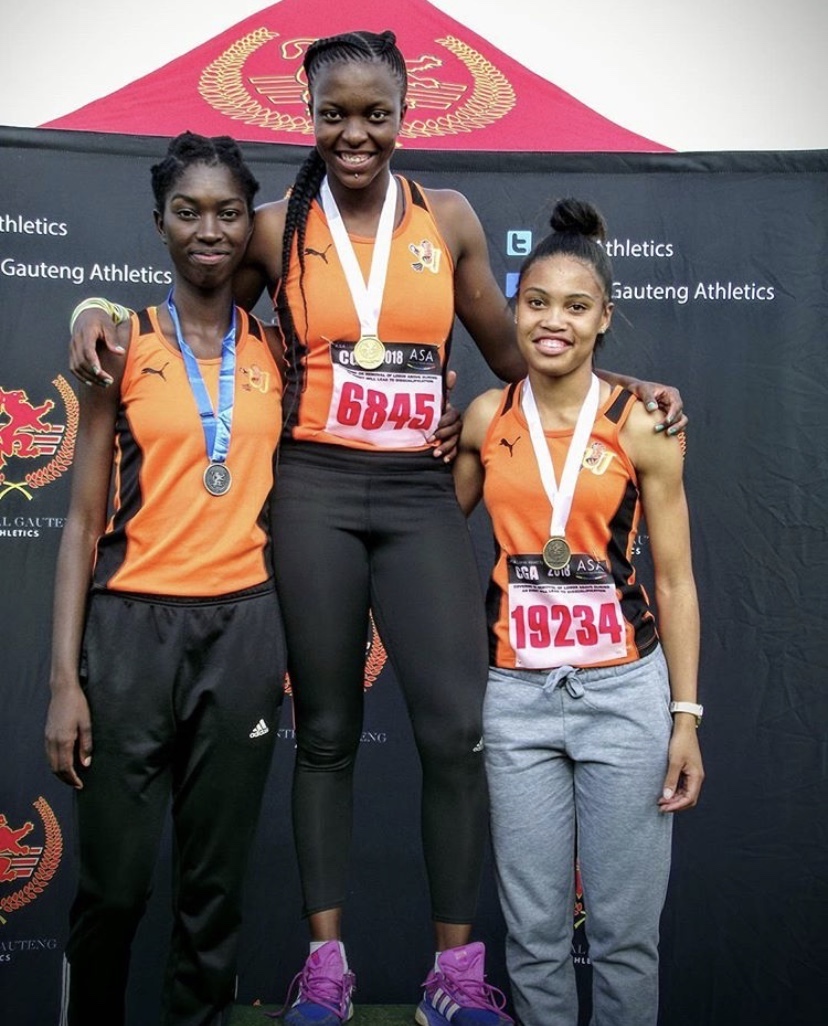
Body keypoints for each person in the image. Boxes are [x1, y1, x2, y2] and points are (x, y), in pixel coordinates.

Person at [67, 31, 688, 1026]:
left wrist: (621, 389)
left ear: (407, 114)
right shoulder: (272, 228)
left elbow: (519, 352)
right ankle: (325, 969)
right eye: (334, 114)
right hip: (312, 491)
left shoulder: (448, 218)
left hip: (418, 495)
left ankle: (453, 975)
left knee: (453, 728)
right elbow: (196, 312)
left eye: (375, 114)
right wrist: (89, 307)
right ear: (305, 114)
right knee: (324, 731)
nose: (355, 134)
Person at [45, 132, 287, 1026]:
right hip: (131, 637)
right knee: (111, 890)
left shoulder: (281, 353)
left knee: (213, 895)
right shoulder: (117, 345)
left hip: (247, 640)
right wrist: (65, 680)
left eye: (229, 212)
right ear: (159, 224)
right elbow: (78, 523)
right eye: (189, 212)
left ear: (247, 225)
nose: (211, 229)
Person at [452, 197, 704, 1026]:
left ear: (603, 321)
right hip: (518, 698)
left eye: (576, 307)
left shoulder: (645, 427)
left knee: (627, 935)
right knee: (533, 932)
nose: (552, 321)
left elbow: (674, 584)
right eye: (536, 303)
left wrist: (684, 719)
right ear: (515, 308)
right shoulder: (487, 419)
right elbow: (418, 526)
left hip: (624, 695)